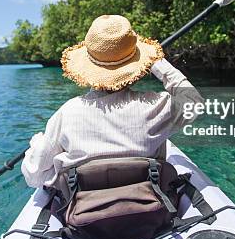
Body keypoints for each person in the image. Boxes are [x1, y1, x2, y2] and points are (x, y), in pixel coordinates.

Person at [21, 14, 202, 188]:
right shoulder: (156, 106)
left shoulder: (67, 113)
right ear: (139, 65)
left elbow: (34, 176)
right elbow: (195, 103)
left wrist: (36, 144)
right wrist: (158, 64)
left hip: (84, 215)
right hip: (151, 207)